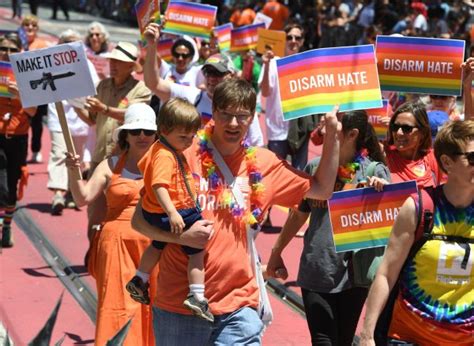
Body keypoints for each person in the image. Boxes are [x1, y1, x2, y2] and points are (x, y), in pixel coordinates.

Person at [131, 78, 341, 344]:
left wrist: (332, 133)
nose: (233, 124)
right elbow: (139, 220)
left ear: (252, 117)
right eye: (226, 114)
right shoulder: (181, 152)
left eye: (241, 116)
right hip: (179, 306)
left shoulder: (264, 163)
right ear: (214, 112)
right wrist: (180, 238)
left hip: (238, 306)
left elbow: (322, 189)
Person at [267, 110, 391, 345]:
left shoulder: (374, 171)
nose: (323, 130)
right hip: (317, 267)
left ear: (352, 134)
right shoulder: (315, 168)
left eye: (333, 127)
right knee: (323, 340)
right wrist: (276, 253)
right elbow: (297, 215)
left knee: (343, 341)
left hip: (353, 275)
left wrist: (381, 192)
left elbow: (390, 224)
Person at [360, 119, 473, 345]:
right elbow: (386, 273)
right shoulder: (419, 207)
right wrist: (366, 335)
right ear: (446, 162)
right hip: (409, 337)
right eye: (472, 158)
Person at [65, 103, 158, 345]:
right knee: (118, 307)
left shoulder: (165, 163)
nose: (142, 136)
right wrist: (74, 172)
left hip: (156, 246)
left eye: (148, 131)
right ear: (126, 133)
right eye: (136, 130)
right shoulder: (110, 164)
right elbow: (82, 198)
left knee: (154, 308)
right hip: (116, 246)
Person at [126, 98, 213, 322]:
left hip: (153, 211)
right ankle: (197, 294)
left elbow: (144, 166)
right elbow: (159, 185)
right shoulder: (165, 154)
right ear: (164, 130)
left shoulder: (160, 148)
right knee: (197, 246)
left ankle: (139, 278)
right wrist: (173, 212)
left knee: (158, 243)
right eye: (183, 137)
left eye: (192, 136)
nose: (188, 142)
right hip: (174, 210)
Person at [78, 41, 151, 245]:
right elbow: (92, 119)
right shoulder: (103, 86)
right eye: (112, 60)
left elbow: (135, 115)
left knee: (123, 215)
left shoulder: (141, 89)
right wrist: (72, 104)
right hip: (101, 158)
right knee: (94, 214)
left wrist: (105, 109)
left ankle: (118, 257)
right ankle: (94, 253)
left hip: (126, 164)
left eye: (119, 61)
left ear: (131, 66)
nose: (114, 64)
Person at [143, 23, 263, 146]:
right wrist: (152, 45)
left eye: (218, 73)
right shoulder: (193, 96)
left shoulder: (243, 108)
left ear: (231, 76)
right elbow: (154, 84)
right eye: (208, 72)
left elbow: (256, 145)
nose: (211, 78)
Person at [46, 29, 99, 215]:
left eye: (74, 42)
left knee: (74, 158)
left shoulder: (87, 66)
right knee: (59, 152)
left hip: (80, 119)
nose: (70, 45)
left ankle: (71, 193)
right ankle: (58, 193)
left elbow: (95, 90)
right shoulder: (49, 64)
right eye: (66, 41)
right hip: (58, 116)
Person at [0, 33, 37, 247]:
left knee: (12, 184)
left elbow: (32, 111)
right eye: (3, 48)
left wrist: (20, 95)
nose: (7, 53)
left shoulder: (27, 76)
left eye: (13, 50)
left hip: (18, 137)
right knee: (1, 183)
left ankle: (7, 225)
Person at [259, 23, 311, 171]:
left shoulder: (306, 64)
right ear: (284, 40)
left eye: (297, 37)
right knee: (275, 174)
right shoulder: (272, 62)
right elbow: (265, 92)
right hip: (277, 129)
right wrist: (267, 65)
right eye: (289, 37)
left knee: (299, 175)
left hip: (300, 129)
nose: (293, 40)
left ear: (302, 41)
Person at [384, 102, 443, 188]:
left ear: (422, 132)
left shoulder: (434, 158)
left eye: (407, 128)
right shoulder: (384, 156)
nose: (399, 132)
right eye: (395, 127)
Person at [21, 15, 49, 164]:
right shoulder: (18, 43)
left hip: (39, 89)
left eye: (33, 25)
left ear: (37, 29)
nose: (30, 28)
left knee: (37, 122)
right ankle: (21, 150)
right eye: (27, 25)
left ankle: (36, 150)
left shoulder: (41, 44)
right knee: (21, 120)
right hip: (21, 89)